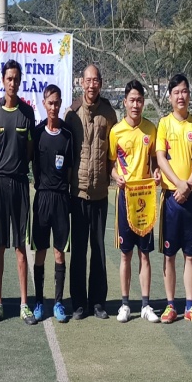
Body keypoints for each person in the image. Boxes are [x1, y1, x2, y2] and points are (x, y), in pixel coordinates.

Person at [64, 63, 118, 320]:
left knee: (98, 249)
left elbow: (113, 153)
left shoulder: (109, 113)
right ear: (81, 82)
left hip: (99, 194)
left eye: (96, 80)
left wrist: (111, 175)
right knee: (78, 251)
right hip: (78, 193)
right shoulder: (71, 114)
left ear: (100, 83)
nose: (92, 85)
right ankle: (78, 303)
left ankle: (97, 302)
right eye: (88, 80)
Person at [0, 60, 36, 325]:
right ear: (2, 80)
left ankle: (24, 304)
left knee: (19, 246)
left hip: (19, 185)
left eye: (16, 79)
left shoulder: (27, 114)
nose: (13, 83)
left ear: (20, 81)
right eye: (9, 78)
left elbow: (28, 153)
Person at [156, 73, 192, 324]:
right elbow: (160, 157)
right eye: (176, 92)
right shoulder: (164, 124)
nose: (181, 96)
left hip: (190, 197)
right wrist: (178, 184)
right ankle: (170, 305)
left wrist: (188, 186)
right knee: (169, 254)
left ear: (190, 94)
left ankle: (190, 306)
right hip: (170, 198)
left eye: (184, 91)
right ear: (170, 96)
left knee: (190, 254)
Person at [110, 80, 161, 324]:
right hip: (124, 199)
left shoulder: (151, 130)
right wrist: (115, 176)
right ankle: (124, 304)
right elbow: (111, 164)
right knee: (125, 254)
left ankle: (146, 304)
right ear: (125, 102)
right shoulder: (116, 131)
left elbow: (156, 162)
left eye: (140, 100)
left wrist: (158, 173)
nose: (136, 104)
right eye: (132, 100)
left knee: (145, 254)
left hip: (146, 198)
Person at [31, 84, 73, 323]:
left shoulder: (67, 134)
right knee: (40, 251)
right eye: (50, 103)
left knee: (59, 253)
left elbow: (68, 169)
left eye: (57, 103)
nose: (54, 107)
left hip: (60, 199)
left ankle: (58, 303)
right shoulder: (37, 134)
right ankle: (38, 301)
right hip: (42, 198)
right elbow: (33, 165)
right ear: (44, 104)